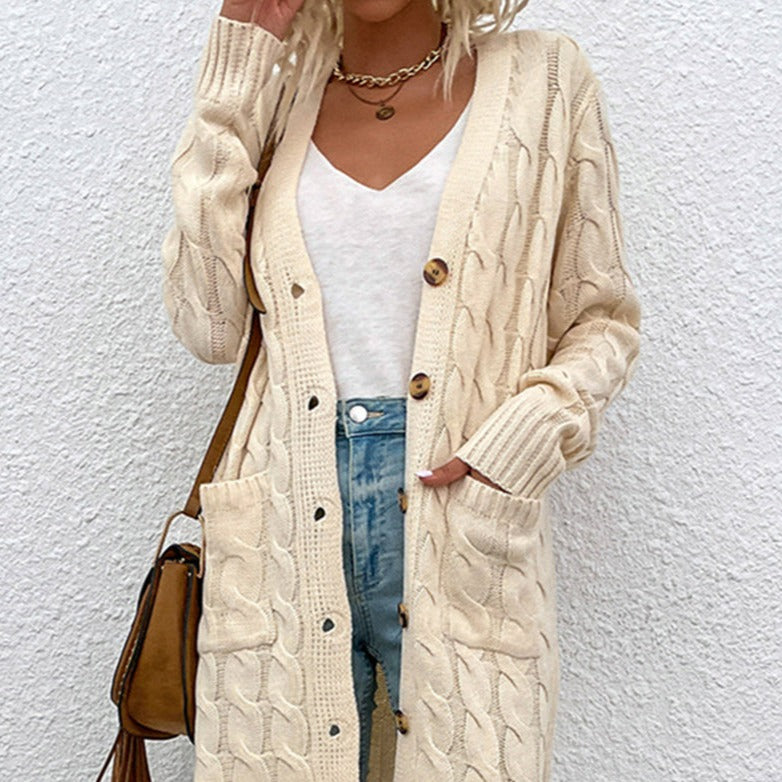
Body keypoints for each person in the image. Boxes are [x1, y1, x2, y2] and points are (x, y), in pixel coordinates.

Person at [160, 0, 642, 779]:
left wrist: (515, 448)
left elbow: (602, 320)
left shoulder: (545, 79)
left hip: (463, 513)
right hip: (282, 520)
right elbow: (209, 325)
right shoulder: (274, 99)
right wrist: (235, 72)